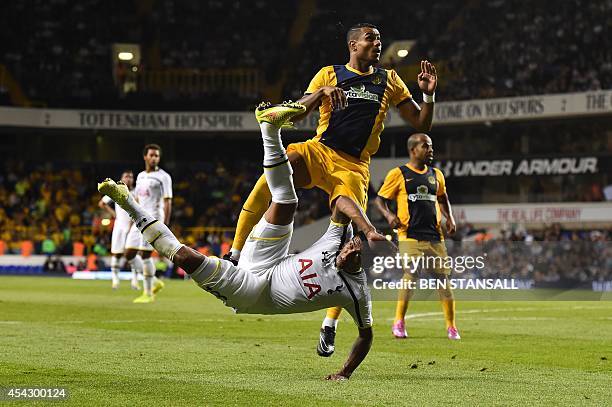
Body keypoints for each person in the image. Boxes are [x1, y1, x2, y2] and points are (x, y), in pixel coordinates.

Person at [98, 103, 384, 380]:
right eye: (351, 246)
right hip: (267, 259)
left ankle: (128, 204)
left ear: (360, 266)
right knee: (286, 200)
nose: (349, 251)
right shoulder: (337, 242)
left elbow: (366, 336)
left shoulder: (357, 291)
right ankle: (269, 128)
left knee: (185, 257)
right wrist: (368, 230)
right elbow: (342, 202)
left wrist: (344, 373)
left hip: (254, 293)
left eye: (355, 255)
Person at [224, 22, 438, 354]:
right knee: (273, 175)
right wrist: (321, 93)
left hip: (354, 166)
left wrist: (428, 93)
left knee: (345, 244)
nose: (378, 44)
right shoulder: (329, 74)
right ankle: (235, 254)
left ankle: (330, 323)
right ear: (354, 45)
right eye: (371, 39)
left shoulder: (389, 80)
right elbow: (294, 114)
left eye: (379, 39)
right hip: (319, 150)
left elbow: (421, 123)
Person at [373, 133, 460, 340]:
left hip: (434, 235)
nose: (430, 150)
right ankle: (399, 322)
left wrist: (451, 218)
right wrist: (388, 215)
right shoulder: (399, 173)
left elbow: (443, 197)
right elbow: (380, 200)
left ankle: (451, 326)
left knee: (443, 281)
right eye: (425, 146)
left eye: (430, 146)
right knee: (411, 274)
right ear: (413, 150)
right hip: (408, 234)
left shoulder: (436, 174)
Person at [124, 144, 173, 303]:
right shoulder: (140, 176)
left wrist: (164, 224)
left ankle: (148, 293)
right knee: (129, 253)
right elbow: (137, 199)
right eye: (151, 155)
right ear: (145, 157)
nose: (154, 158)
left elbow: (167, 201)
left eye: (157, 156)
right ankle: (155, 282)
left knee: (145, 255)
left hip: (153, 219)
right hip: (138, 218)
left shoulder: (164, 176)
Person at [98, 170, 139, 290]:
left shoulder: (136, 192)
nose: (129, 179)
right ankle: (115, 280)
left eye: (131, 177)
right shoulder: (116, 190)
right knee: (116, 254)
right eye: (126, 176)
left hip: (133, 227)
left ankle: (135, 280)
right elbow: (102, 203)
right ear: (122, 178)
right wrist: (114, 214)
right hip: (119, 226)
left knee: (133, 254)